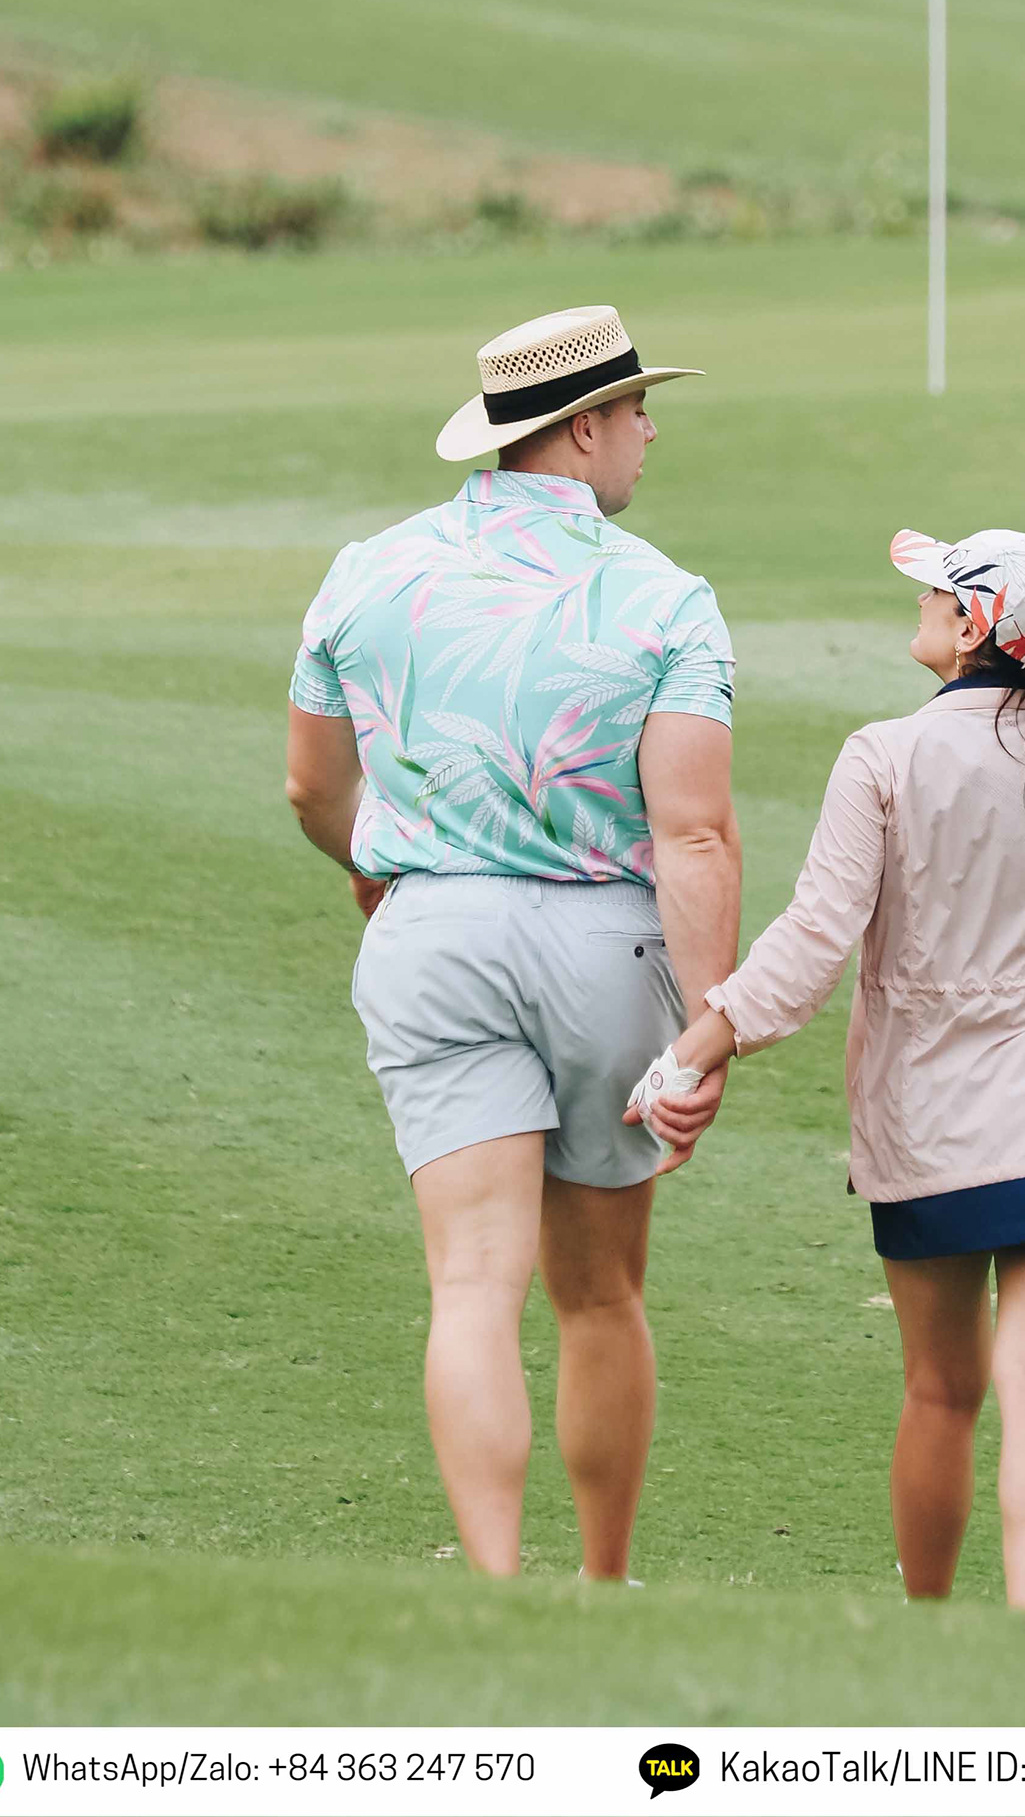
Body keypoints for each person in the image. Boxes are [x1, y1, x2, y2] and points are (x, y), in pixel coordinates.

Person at [283, 304, 741, 1581]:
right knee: (598, 1293)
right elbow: (694, 835)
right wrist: (712, 1023)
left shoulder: (368, 568)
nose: (649, 430)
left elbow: (314, 790)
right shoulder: (666, 598)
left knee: (472, 1286)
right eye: (638, 407)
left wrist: (379, 874)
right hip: (608, 946)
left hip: (431, 933)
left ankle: (494, 1583)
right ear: (583, 428)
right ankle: (600, 1581)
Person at [643, 524, 1025, 1610]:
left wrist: (704, 1037)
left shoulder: (884, 755)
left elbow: (812, 936)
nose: (924, 599)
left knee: (941, 1392)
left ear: (975, 624)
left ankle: (926, 1630)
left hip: (930, 1126)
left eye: (940, 587)